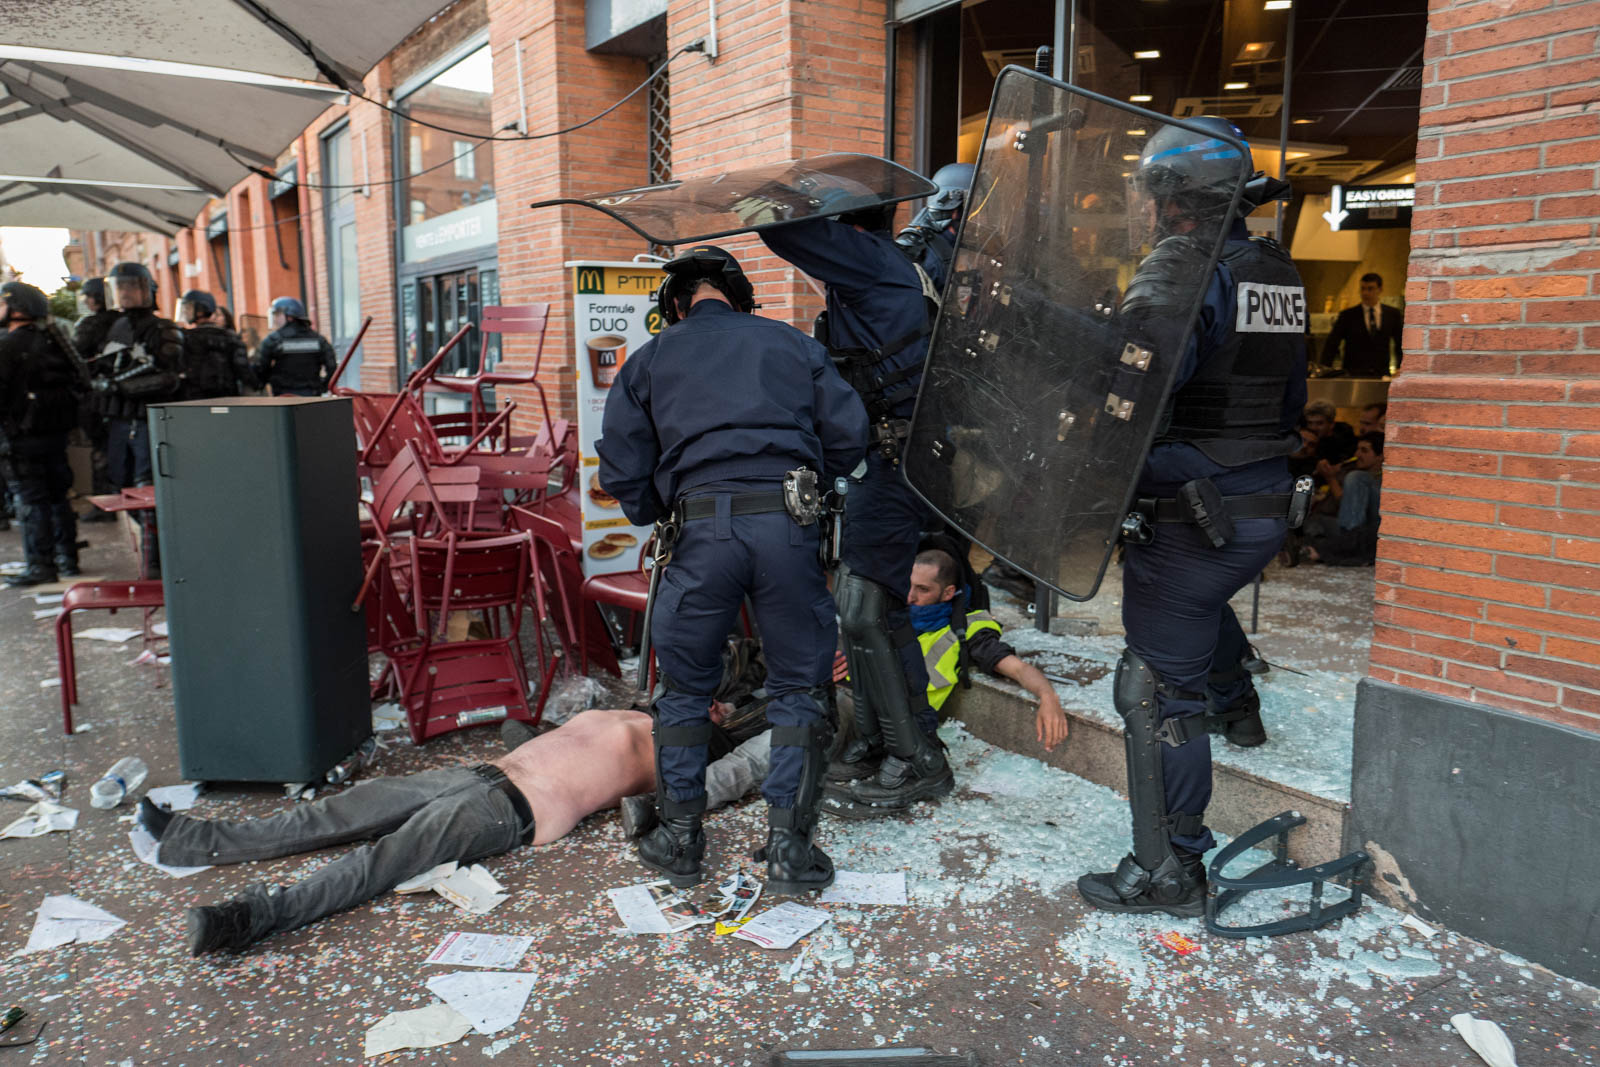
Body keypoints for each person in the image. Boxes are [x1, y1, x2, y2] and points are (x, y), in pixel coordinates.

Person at [1075, 117, 1308, 919]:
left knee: (1153, 687)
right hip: (1255, 508)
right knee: (1183, 667)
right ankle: (1181, 829)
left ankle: (1167, 867)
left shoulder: (1182, 263)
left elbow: (1131, 387)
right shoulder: (1275, 271)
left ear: (1172, 198)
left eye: (1149, 192)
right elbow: (1290, 404)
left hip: (1190, 513)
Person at [596, 244, 869, 895]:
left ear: (677, 305)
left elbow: (624, 469)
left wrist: (665, 504)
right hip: (786, 522)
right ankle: (789, 849)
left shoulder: (649, 360)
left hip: (699, 533)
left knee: (685, 691)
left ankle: (681, 839)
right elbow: (849, 431)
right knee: (801, 688)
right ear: (741, 296)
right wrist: (807, 482)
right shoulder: (791, 343)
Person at [154, 698, 778, 957]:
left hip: (514, 809)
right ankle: (193, 839)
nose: (712, 699)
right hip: (482, 774)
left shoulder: (678, 753)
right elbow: (533, 734)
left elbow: (731, 774)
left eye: (720, 706)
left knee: (384, 859)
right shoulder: (632, 710)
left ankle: (255, 918)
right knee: (340, 811)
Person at [761, 197, 954, 815]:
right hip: (892, 455)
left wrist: (784, 195)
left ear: (845, 224)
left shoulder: (870, 259)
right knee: (866, 608)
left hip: (894, 459)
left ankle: (916, 759)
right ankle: (876, 739)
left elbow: (781, 230)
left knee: (867, 608)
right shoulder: (896, 263)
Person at [90, 263, 183, 577]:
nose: (126, 293)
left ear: (147, 289)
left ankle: (155, 562)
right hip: (118, 422)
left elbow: (169, 377)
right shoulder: (109, 328)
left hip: (147, 421)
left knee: (148, 490)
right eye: (121, 287)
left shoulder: (162, 328)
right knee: (122, 484)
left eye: (132, 286)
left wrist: (119, 386)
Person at [0, 282, 87, 586]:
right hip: (55, 435)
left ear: (16, 307)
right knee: (57, 497)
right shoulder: (53, 341)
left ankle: (40, 565)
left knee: (31, 501)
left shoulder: (7, 345)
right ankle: (68, 559)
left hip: (22, 437)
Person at [71, 278, 119, 517]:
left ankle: (105, 504)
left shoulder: (89, 325)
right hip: (122, 395)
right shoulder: (124, 320)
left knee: (101, 450)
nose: (87, 302)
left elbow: (74, 355)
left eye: (89, 297)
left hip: (96, 396)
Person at [1302, 431, 1384, 566]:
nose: (1357, 455)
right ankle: (1329, 546)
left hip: (1370, 530)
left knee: (1356, 477)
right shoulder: (1351, 468)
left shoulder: (1369, 478)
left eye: (1364, 451)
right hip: (1351, 528)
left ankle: (1341, 547)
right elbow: (1347, 508)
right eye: (1357, 449)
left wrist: (1331, 479)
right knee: (1315, 520)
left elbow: (1346, 506)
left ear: (1380, 456)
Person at [177, 289, 256, 399]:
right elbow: (244, 372)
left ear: (200, 310)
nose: (185, 312)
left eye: (188, 308)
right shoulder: (231, 337)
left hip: (194, 401)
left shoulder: (185, 338)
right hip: (227, 400)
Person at [1321, 272, 1402, 376]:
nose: (1365, 293)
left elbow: (1400, 343)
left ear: (1380, 289)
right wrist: (1325, 369)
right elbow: (1332, 343)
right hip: (1353, 373)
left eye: (1370, 289)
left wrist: (1401, 367)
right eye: (1363, 289)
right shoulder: (1348, 316)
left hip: (1381, 373)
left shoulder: (1392, 314)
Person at [252, 296, 335, 397]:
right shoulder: (319, 340)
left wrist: (261, 383)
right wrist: (323, 386)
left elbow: (261, 368)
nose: (275, 319)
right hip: (311, 397)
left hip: (283, 397)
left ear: (289, 317)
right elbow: (332, 367)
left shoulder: (273, 340)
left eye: (277, 315)